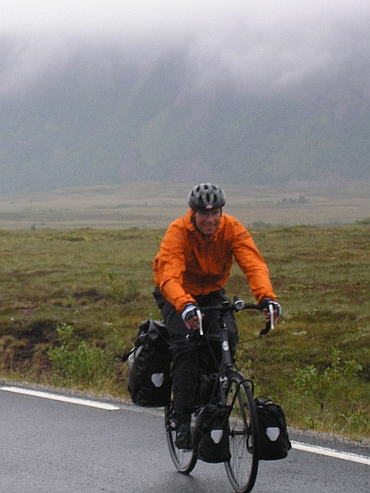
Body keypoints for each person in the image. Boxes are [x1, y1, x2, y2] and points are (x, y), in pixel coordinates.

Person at [153, 183, 281, 449]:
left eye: (215, 213)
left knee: (227, 337)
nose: (210, 220)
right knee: (186, 344)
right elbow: (168, 275)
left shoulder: (232, 228)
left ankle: (212, 403)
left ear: (222, 212)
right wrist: (185, 305)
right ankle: (182, 418)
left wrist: (266, 298)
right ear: (193, 213)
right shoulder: (178, 232)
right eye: (204, 214)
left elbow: (253, 263)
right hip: (176, 294)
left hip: (211, 293)